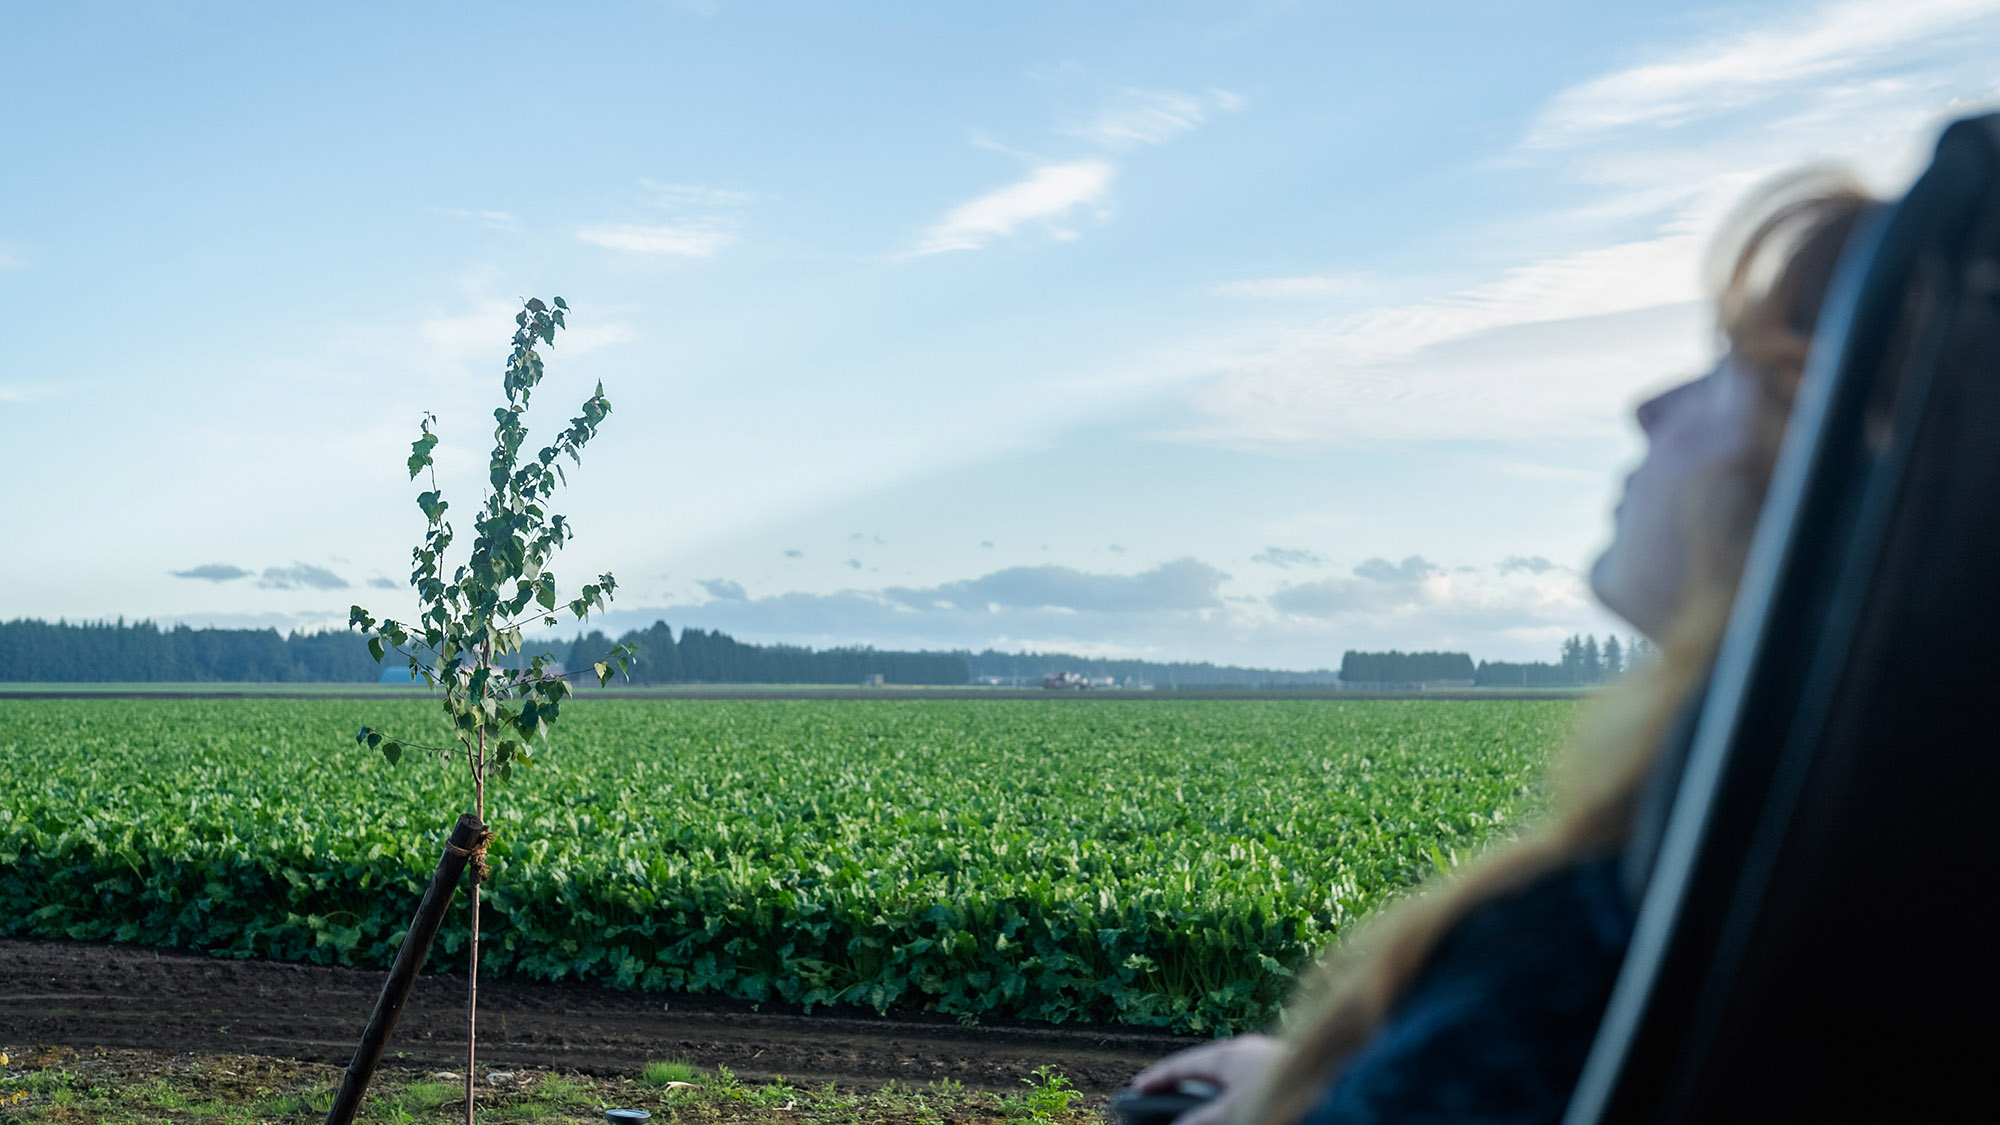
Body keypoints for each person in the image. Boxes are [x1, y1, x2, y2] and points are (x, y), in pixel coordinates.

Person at [1131, 175, 1877, 1124]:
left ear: (1836, 453)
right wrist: (1346, 1079)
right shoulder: (1865, 842)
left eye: (1731, 366)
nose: (1650, 405)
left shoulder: (1609, 922)